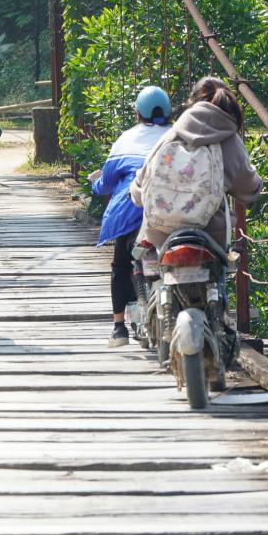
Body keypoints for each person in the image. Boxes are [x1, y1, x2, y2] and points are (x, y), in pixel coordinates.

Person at [130, 76, 262, 251]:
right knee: (221, 269)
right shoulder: (231, 141)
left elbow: (142, 183)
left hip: (162, 235)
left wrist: (136, 193)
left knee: (147, 259)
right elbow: (247, 190)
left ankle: (146, 271)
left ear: (191, 102)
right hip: (211, 238)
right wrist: (256, 185)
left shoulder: (174, 133)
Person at [87, 85, 172, 347]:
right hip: (172, 209)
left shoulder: (126, 139)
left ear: (137, 113)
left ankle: (118, 328)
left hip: (131, 211)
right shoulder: (179, 135)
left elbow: (107, 183)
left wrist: (96, 184)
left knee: (121, 266)